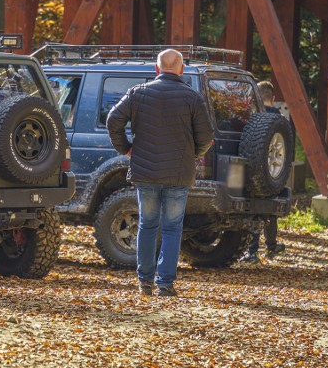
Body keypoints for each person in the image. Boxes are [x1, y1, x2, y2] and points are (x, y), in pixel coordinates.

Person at [106, 49, 214, 297]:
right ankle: (165, 282)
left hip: (146, 172)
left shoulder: (138, 93)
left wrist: (127, 149)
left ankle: (144, 281)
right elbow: (207, 136)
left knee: (147, 224)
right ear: (181, 69)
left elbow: (113, 120)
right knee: (172, 227)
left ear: (156, 69)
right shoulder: (191, 97)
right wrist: (193, 153)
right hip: (178, 172)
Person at [240, 81, 286, 263]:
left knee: (251, 210)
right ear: (273, 98)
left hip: (252, 169)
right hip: (273, 171)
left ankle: (251, 251)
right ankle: (271, 246)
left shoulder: (252, 117)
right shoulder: (279, 119)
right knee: (271, 211)